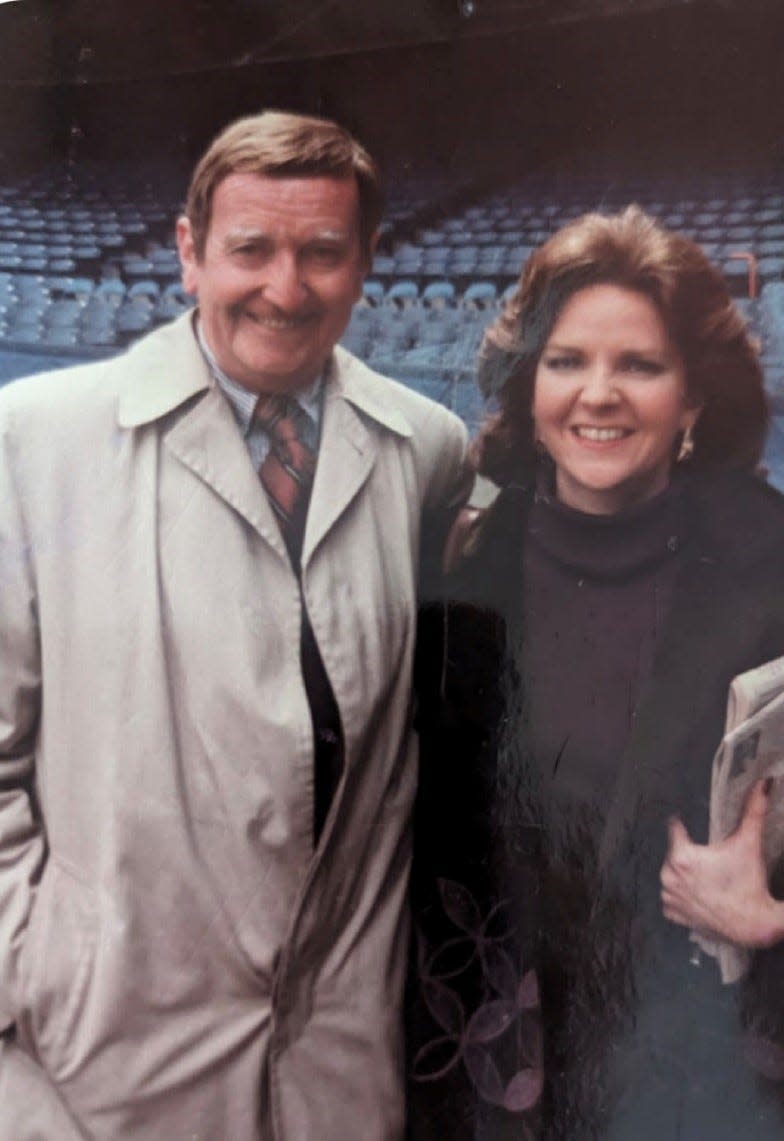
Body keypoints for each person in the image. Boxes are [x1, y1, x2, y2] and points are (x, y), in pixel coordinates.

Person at [0, 110, 470, 1140]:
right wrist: (33, 976)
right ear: (187, 252)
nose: (285, 288)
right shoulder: (33, 443)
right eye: (250, 249)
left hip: (336, 1058)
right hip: (99, 1046)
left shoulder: (427, 448)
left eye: (322, 253)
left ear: (365, 263)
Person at [411, 206, 784, 1139]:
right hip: (501, 1072)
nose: (599, 393)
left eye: (641, 366)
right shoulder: (456, 567)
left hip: (709, 1075)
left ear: (693, 399)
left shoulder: (772, 562)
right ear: (528, 389)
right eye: (567, 360)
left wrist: (771, 913)